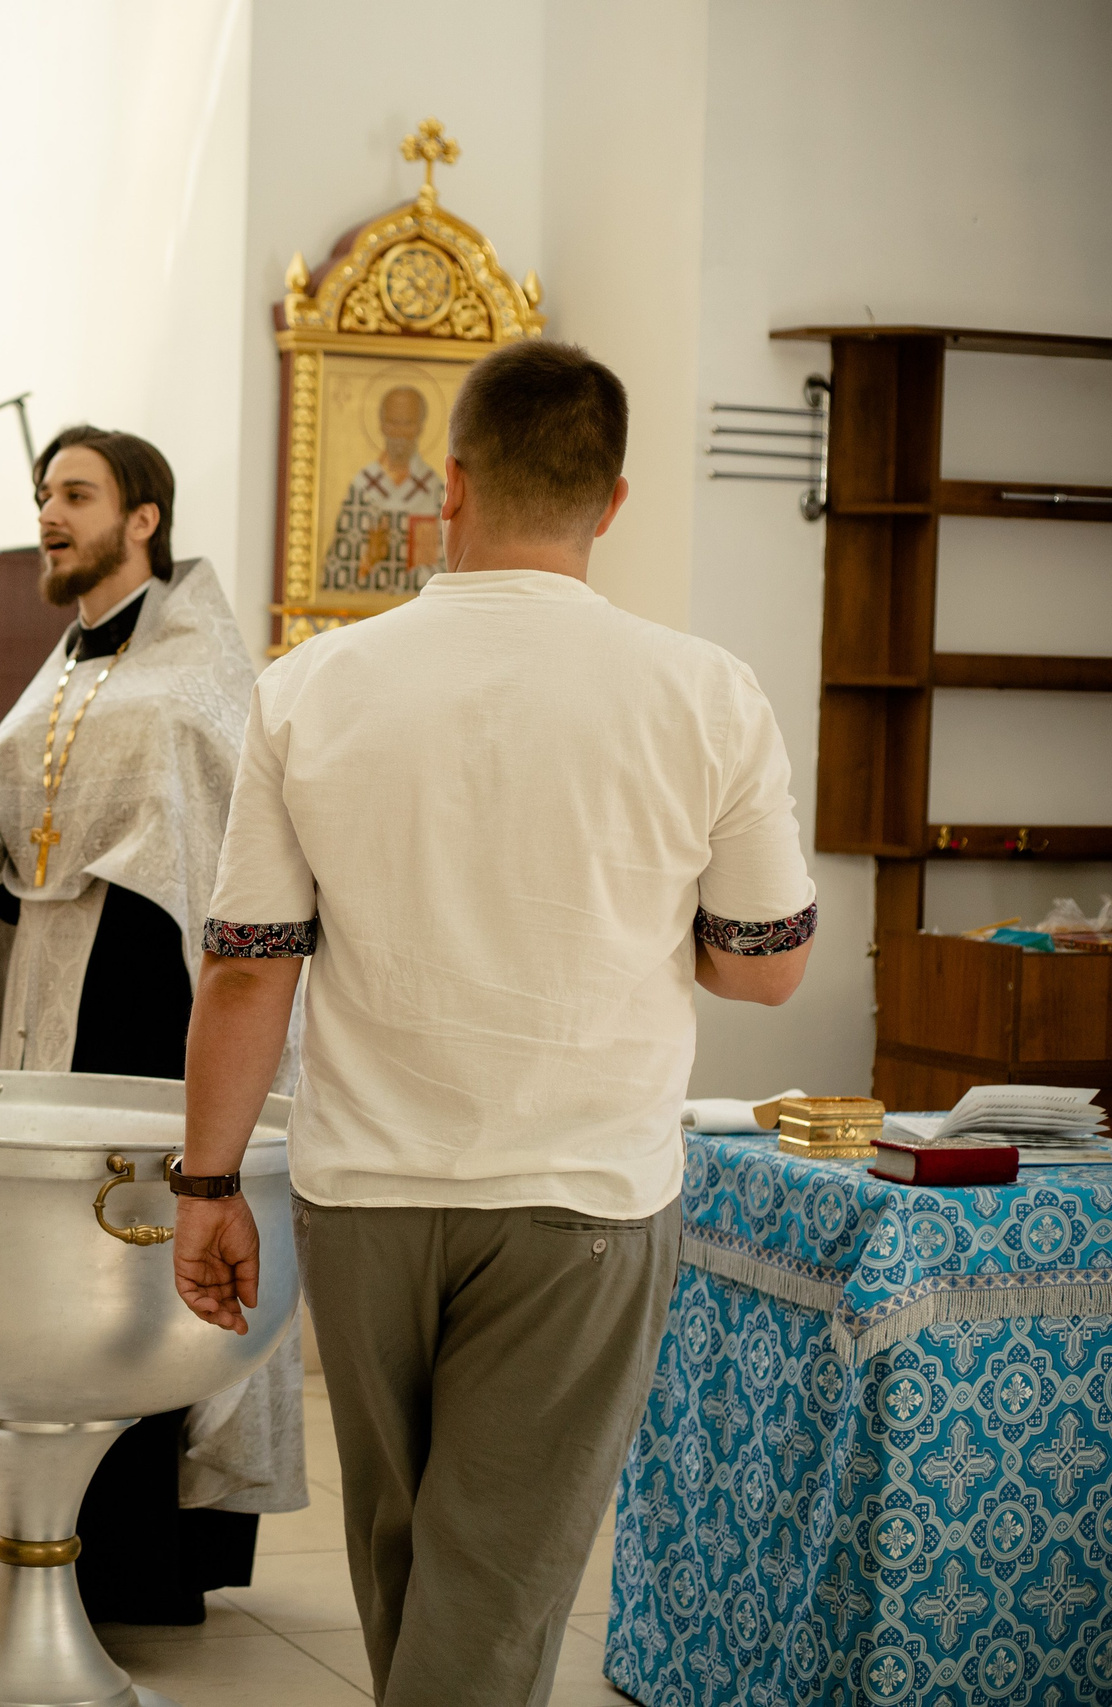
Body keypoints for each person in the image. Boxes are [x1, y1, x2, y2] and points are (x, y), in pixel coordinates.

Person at [174, 340, 815, 1706]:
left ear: (447, 481)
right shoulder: (704, 691)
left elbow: (246, 969)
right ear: (616, 500)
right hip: (579, 1198)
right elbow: (766, 967)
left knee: (416, 1565)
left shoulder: (313, 684)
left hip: (366, 1195)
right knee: (487, 1585)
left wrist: (209, 1183)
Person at [0, 424, 307, 1655]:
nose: (48, 512)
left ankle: (118, 1558)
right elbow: (21, 850)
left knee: (119, 1274)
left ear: (143, 519)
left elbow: (202, 857)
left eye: (74, 494)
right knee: (44, 1280)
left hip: (147, 1016)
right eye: (42, 494)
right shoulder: (67, 666)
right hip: (55, 1009)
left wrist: (28, 839)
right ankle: (49, 1550)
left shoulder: (196, 676)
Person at [322, 384, 443, 596]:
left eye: (407, 424)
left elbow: (447, 565)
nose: (399, 433)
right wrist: (368, 559)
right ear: (381, 425)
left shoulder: (433, 489)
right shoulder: (363, 486)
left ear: (420, 426)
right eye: (392, 423)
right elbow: (337, 569)